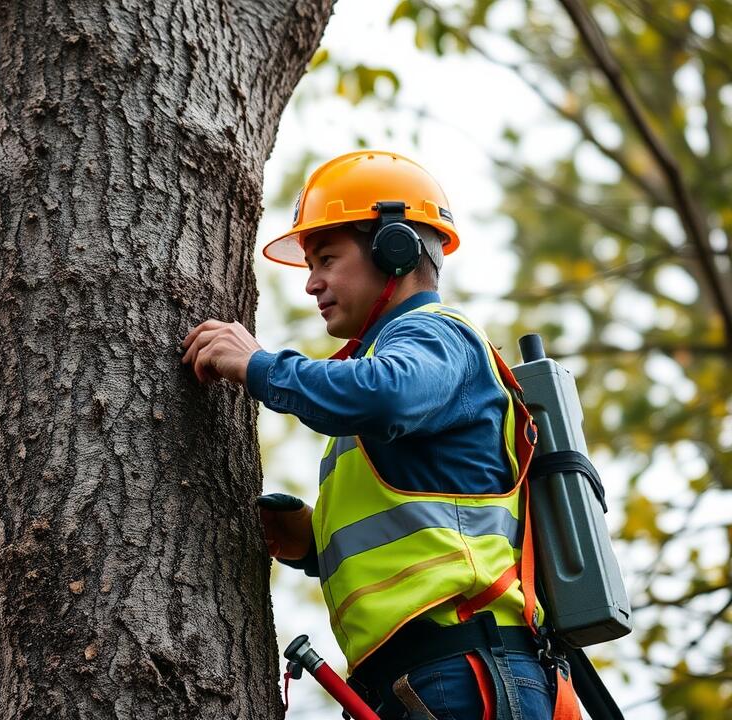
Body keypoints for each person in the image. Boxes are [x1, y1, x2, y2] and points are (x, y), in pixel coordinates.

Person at [181, 151, 571, 720]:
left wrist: (258, 366)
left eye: (327, 258)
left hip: (459, 670)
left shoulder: (438, 336)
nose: (312, 283)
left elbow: (384, 393)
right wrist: (314, 542)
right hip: (421, 680)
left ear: (396, 249)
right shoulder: (395, 374)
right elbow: (423, 521)